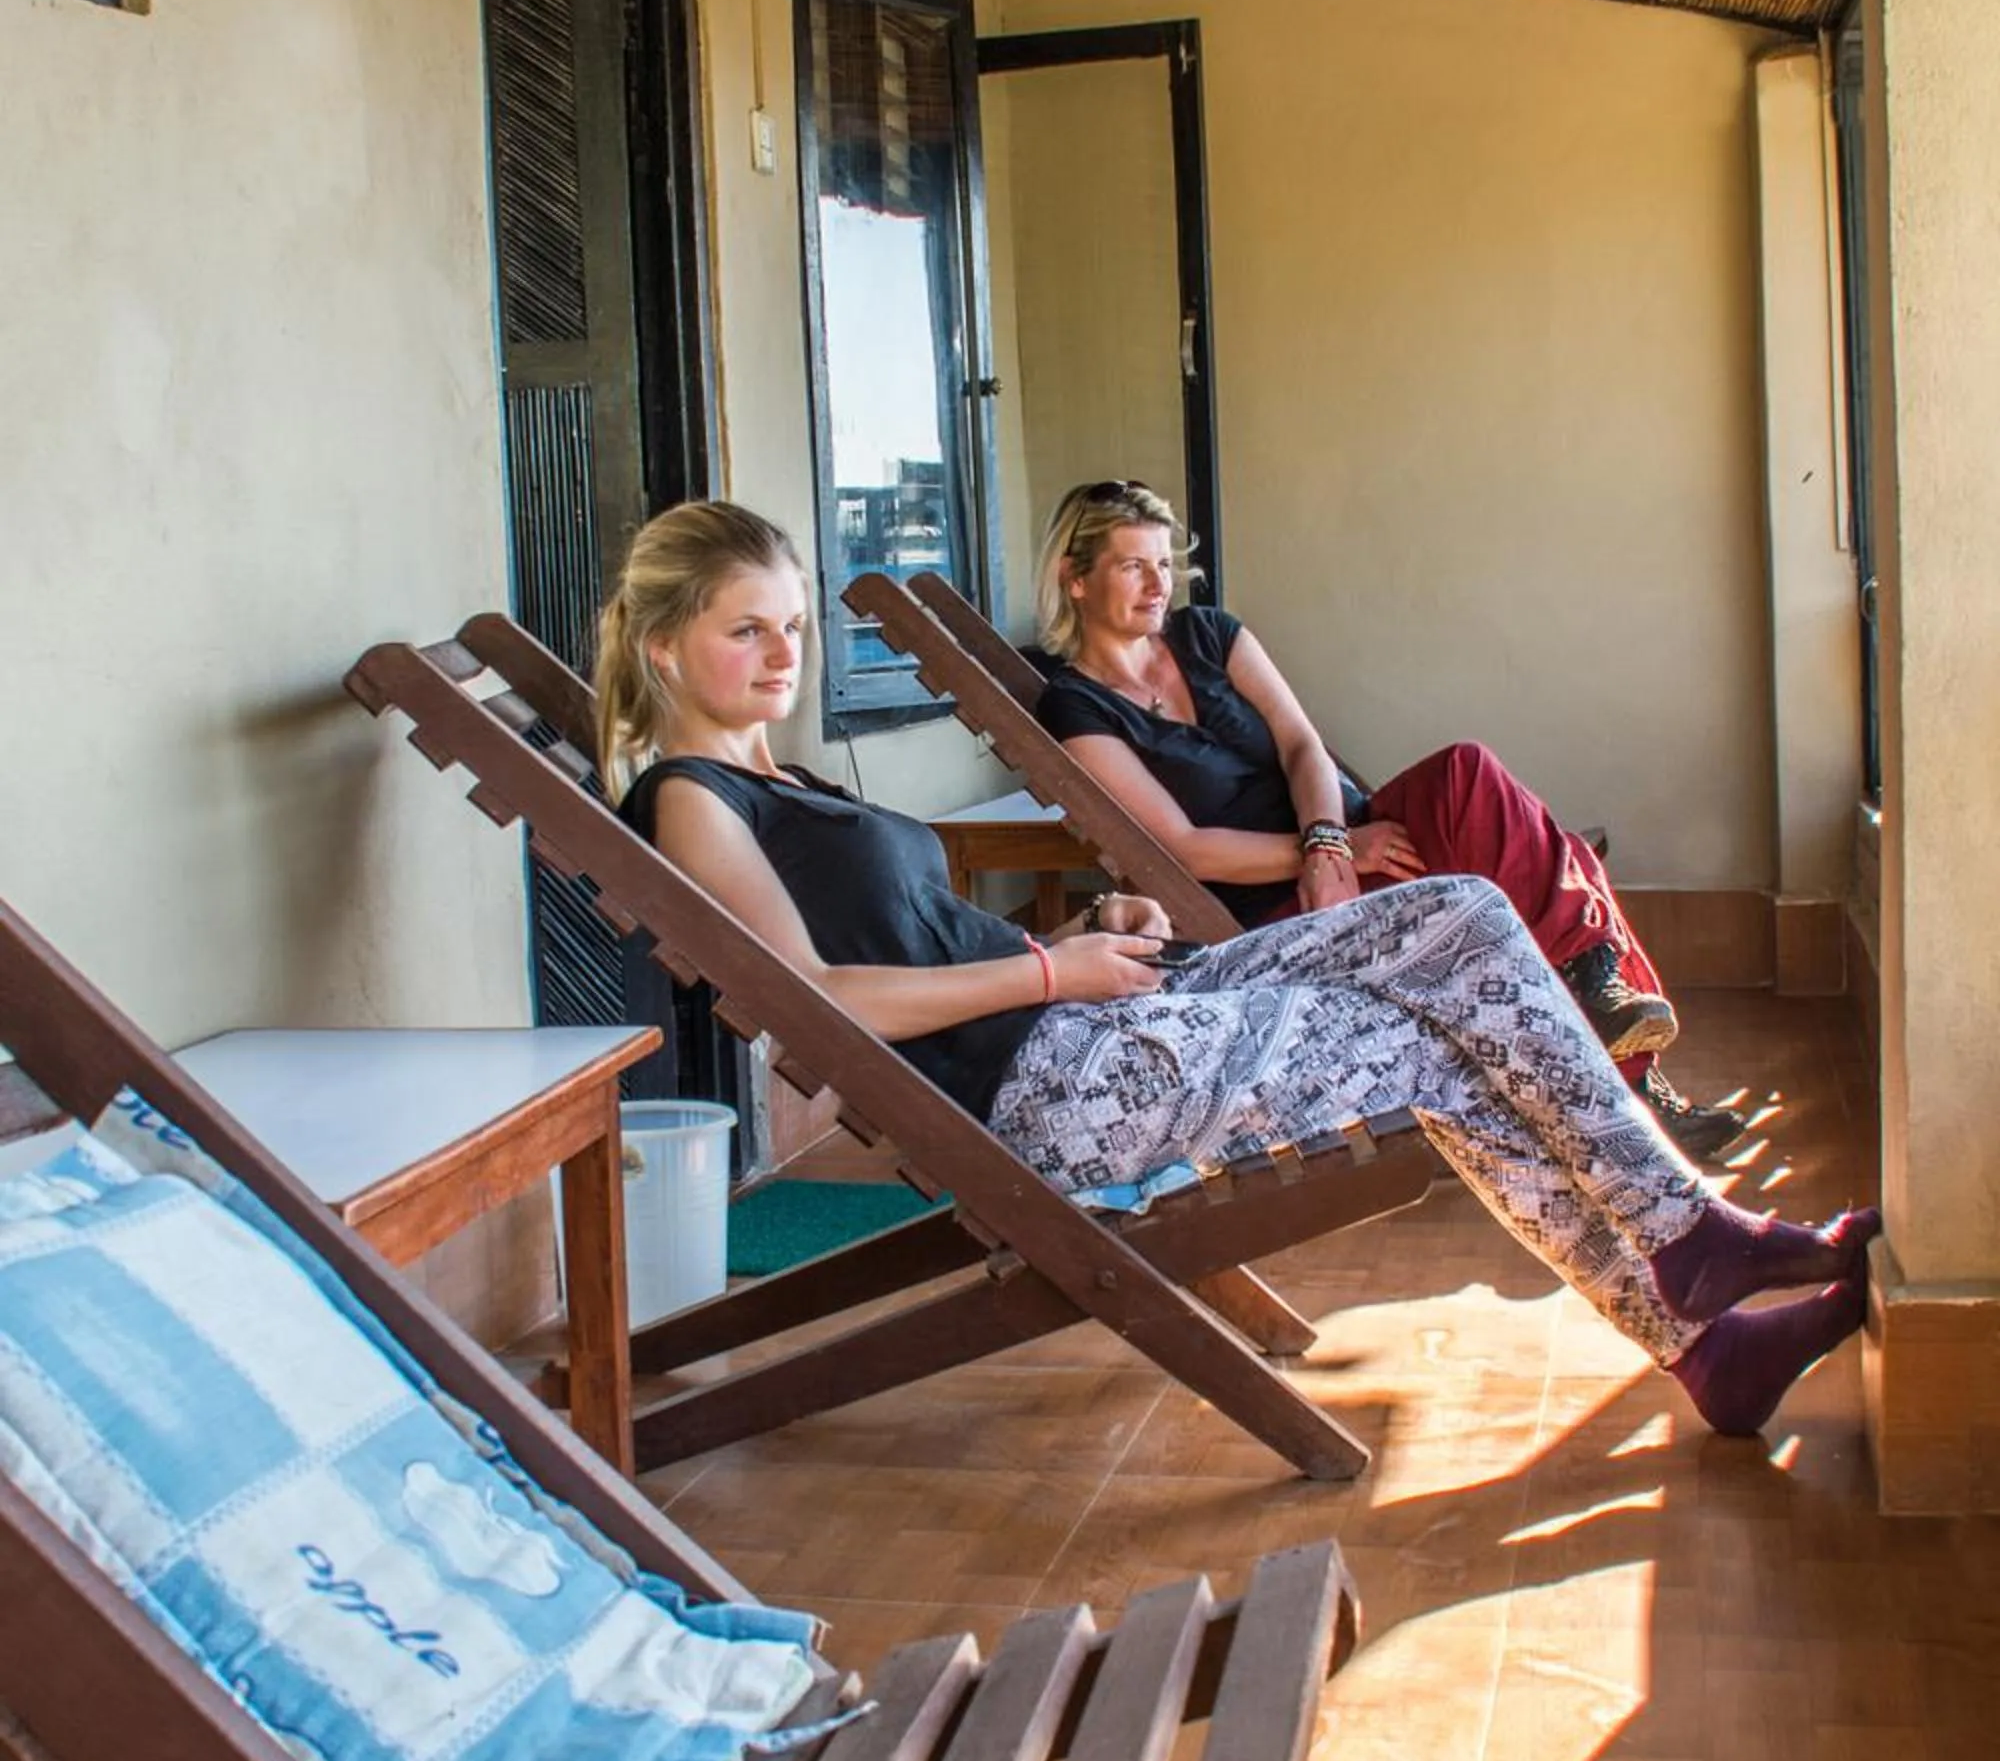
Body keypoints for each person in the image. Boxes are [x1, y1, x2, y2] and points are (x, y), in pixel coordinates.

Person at [597, 499, 1877, 1444]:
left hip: (1091, 1009)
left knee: (1462, 919)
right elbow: (819, 999)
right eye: (741, 633)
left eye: (790, 626)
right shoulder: (693, 800)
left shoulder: (779, 780)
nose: (781, 656)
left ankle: (1694, 1282)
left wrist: (1079, 940)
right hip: (1053, 1083)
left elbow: (917, 940)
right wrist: (1046, 977)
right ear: (663, 650)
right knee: (1448, 1028)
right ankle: (1689, 1271)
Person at [1031, 479, 1746, 1164]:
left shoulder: (1208, 634)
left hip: (1343, 847)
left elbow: (1302, 744)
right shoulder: (1077, 707)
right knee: (1559, 861)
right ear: (1076, 577)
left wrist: (1331, 842)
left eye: (1164, 565)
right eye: (1133, 567)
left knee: (1471, 777)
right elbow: (1187, 850)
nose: (1160, 586)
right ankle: (1630, 1067)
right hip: (1281, 905)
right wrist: (1323, 861)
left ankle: (1606, 1008)